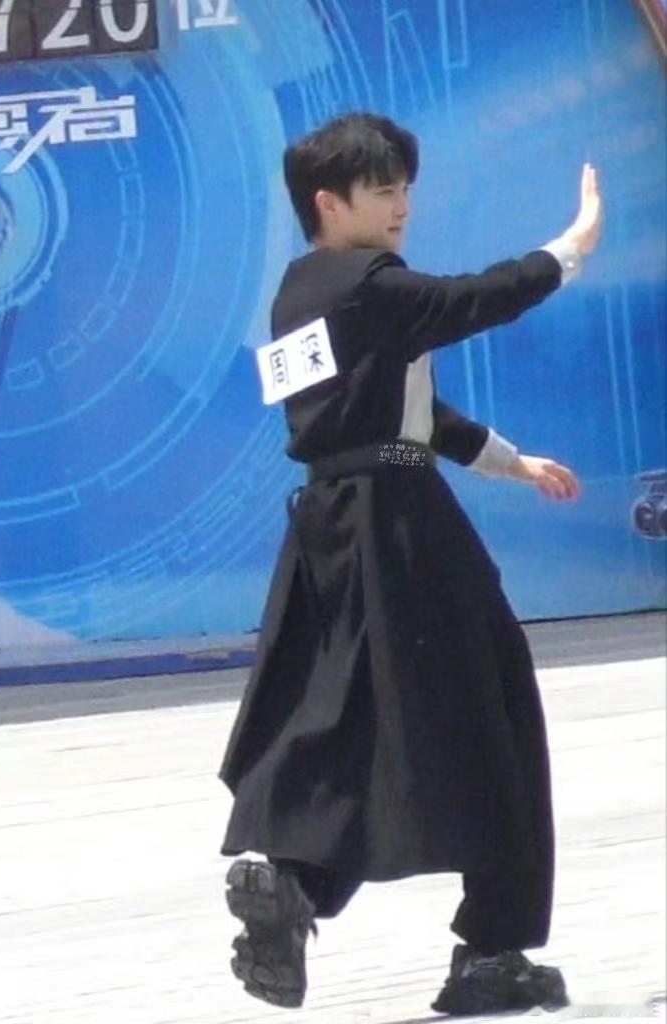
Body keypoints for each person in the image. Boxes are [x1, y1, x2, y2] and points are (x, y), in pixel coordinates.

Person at [218, 113, 602, 1016]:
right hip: (399, 519)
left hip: (330, 523)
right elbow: (472, 300)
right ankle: (492, 951)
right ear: (329, 202)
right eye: (383, 189)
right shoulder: (371, 285)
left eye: (404, 188)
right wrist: (572, 248)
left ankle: (298, 885)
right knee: (493, 705)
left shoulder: (300, 292)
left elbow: (388, 406)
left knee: (361, 718)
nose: (402, 206)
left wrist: (509, 461)